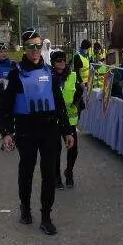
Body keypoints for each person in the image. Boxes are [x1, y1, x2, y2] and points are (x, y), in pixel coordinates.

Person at [0, 29, 75, 236]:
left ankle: (46, 216)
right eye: (31, 47)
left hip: (49, 127)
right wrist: (6, 132)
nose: (35, 51)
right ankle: (25, 207)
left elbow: (59, 104)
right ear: (24, 49)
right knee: (27, 170)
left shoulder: (50, 72)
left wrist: (67, 131)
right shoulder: (15, 73)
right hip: (26, 128)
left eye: (38, 46)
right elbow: (5, 106)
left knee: (49, 173)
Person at [51, 50, 84, 189]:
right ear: (53, 63)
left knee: (73, 149)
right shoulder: (49, 77)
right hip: (53, 119)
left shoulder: (73, 75)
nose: (62, 63)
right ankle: (56, 176)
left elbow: (80, 89)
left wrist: (77, 100)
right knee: (55, 150)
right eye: (59, 60)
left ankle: (68, 171)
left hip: (69, 120)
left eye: (64, 60)